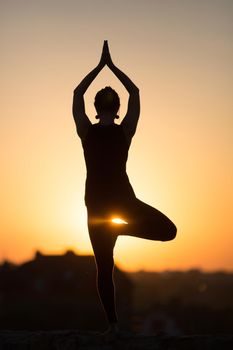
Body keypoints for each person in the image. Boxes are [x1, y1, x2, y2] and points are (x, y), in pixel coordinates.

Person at [72, 41, 177, 336]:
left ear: (112, 108)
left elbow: (135, 93)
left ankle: (118, 229)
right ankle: (113, 325)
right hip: (97, 206)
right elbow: (77, 93)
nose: (108, 94)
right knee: (104, 268)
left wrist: (109, 66)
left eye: (110, 94)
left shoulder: (124, 130)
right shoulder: (86, 131)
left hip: (121, 200)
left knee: (168, 231)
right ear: (104, 107)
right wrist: (102, 66)